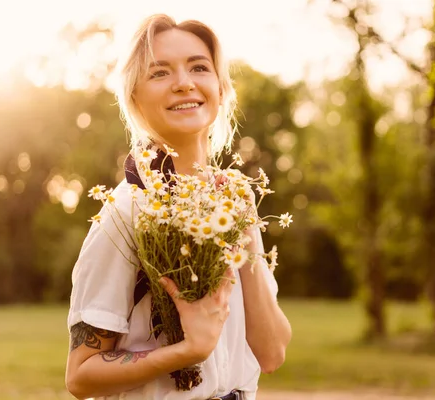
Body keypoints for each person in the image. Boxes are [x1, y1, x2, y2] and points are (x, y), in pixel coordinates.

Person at [65, 14, 292, 400]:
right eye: (159, 73)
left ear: (221, 88)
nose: (184, 82)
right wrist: (188, 352)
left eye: (199, 67)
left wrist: (246, 227)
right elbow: (81, 376)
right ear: (134, 96)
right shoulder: (125, 213)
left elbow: (271, 354)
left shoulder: (233, 202)